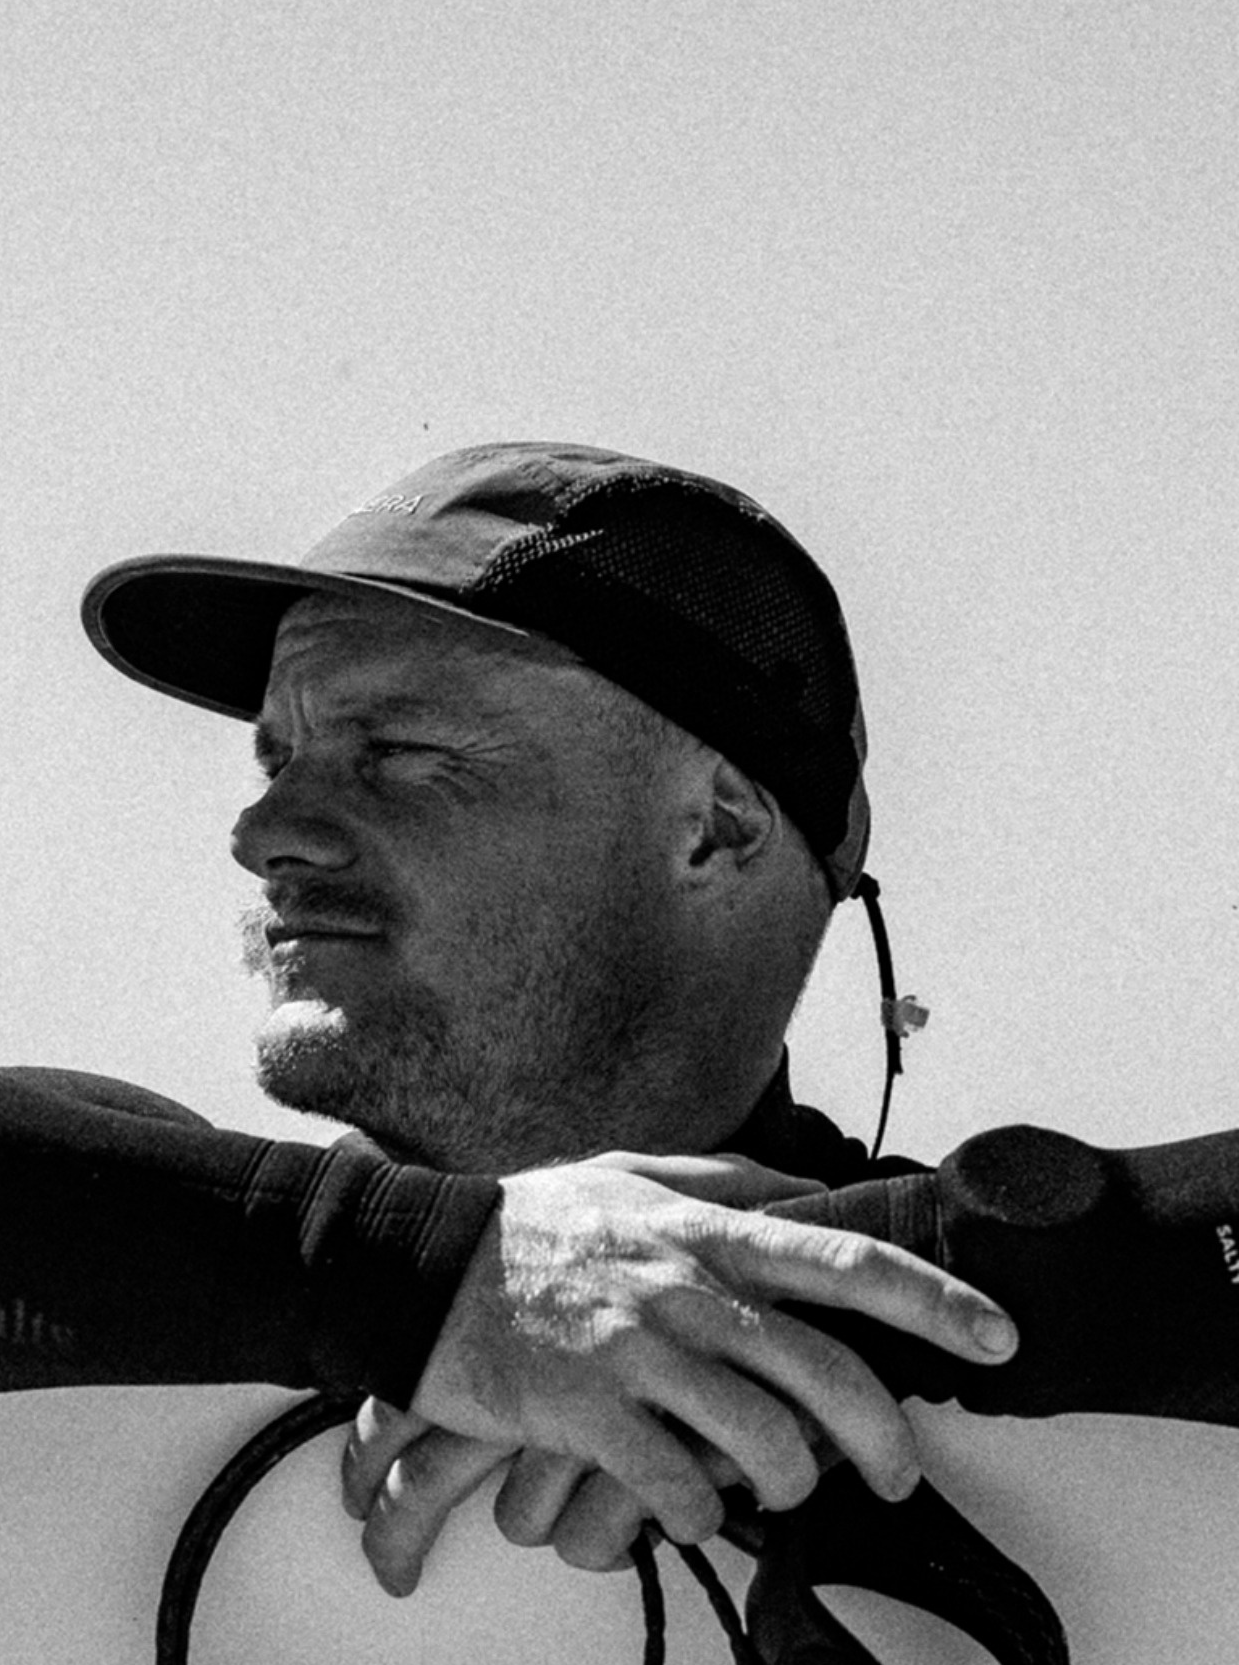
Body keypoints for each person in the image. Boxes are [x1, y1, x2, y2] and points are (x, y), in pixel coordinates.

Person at [76, 439, 1017, 1591]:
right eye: (276, 759)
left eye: (397, 751)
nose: (261, 833)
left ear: (713, 828)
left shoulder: (1006, 1300)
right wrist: (429, 1274)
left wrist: (838, 1302)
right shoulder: (89, 1218)